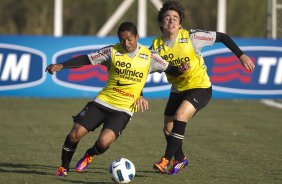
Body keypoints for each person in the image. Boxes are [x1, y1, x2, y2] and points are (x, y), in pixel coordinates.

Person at [45, 21, 188, 177]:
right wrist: (61, 65)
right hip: (102, 102)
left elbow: (170, 69)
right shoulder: (112, 51)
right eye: (122, 39)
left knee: (103, 143)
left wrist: (181, 69)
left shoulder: (150, 56)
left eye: (129, 39)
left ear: (137, 37)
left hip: (124, 109)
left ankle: (89, 154)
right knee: (75, 134)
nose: (126, 43)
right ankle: (63, 167)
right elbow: (87, 59)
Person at [151, 0, 255, 175]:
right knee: (168, 129)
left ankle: (165, 160)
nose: (171, 20)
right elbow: (143, 69)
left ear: (180, 23)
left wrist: (241, 55)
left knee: (180, 116)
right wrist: (139, 93)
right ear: (161, 23)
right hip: (178, 89)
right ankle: (181, 159)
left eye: (175, 17)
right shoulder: (155, 47)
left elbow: (222, 37)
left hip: (200, 86)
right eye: (167, 17)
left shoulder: (192, 37)